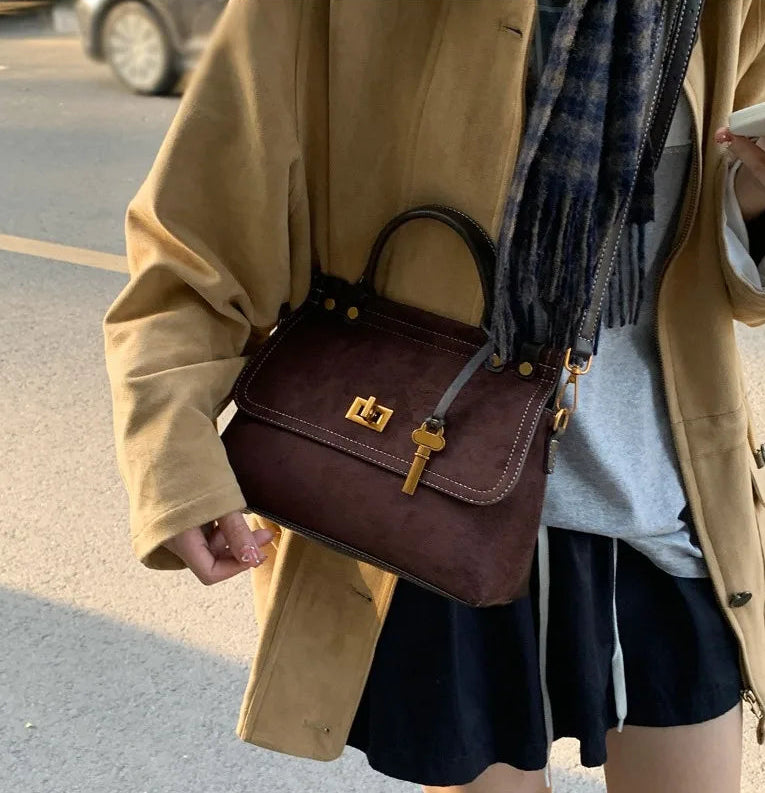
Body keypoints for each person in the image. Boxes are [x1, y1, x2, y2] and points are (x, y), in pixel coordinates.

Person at [102, 1, 765, 791]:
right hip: (427, 490)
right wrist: (171, 459)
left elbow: (725, 270)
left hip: (654, 490)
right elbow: (196, 242)